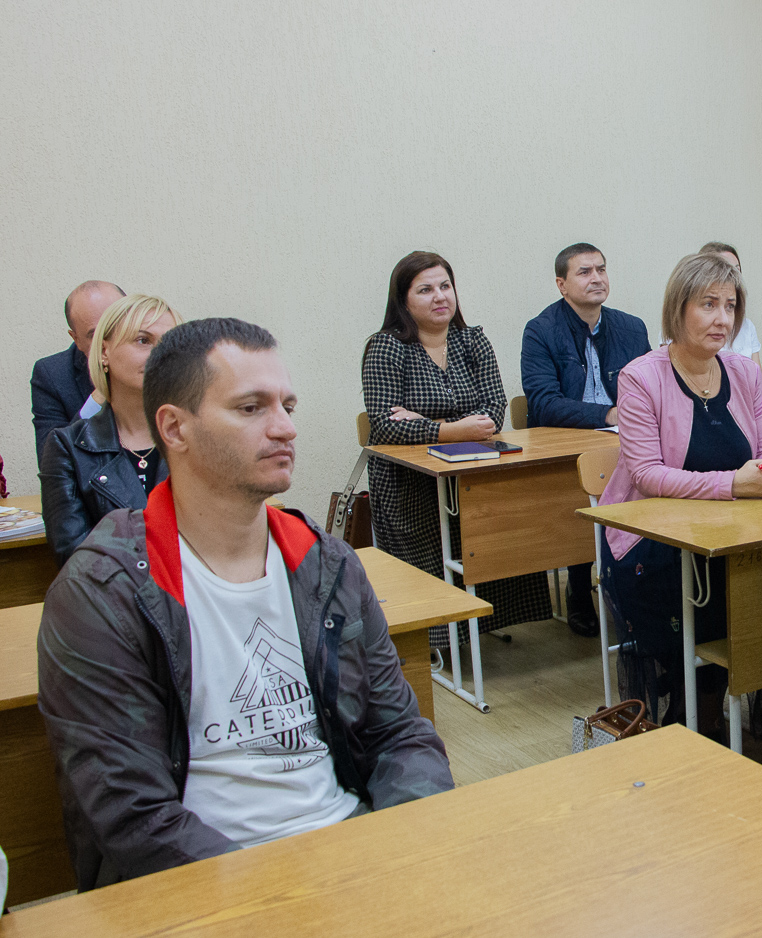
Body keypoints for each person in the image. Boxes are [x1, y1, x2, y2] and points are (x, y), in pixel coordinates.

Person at [36, 318, 452, 892]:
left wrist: (402, 847)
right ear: (175, 428)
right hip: (209, 885)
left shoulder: (326, 564)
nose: (285, 428)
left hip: (350, 850)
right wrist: (280, 896)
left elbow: (400, 735)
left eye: (288, 406)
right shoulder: (103, 591)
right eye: (251, 408)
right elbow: (132, 815)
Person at [598, 252, 762, 732]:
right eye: (708, 304)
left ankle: (708, 713)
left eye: (730, 306)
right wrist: (733, 484)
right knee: (709, 599)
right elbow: (647, 475)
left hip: (731, 531)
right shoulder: (641, 377)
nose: (722, 319)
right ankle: (693, 717)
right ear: (678, 308)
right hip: (652, 540)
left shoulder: (744, 372)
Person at [362, 251, 551, 647]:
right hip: (409, 483)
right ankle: (437, 640)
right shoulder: (386, 347)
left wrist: (425, 422)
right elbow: (383, 425)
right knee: (432, 549)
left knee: (507, 526)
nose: (439, 296)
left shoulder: (472, 339)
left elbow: (493, 410)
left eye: (445, 286)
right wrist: (454, 429)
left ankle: (478, 624)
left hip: (473, 469)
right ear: (403, 299)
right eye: (425, 289)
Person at [521, 242, 651, 636]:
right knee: (576, 503)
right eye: (584, 272)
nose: (596, 278)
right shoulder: (541, 330)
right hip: (569, 444)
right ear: (561, 284)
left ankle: (639, 587)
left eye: (601, 269)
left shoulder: (631, 327)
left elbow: (651, 387)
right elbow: (544, 404)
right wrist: (608, 414)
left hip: (624, 442)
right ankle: (579, 588)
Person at [40, 295, 184, 567]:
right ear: (104, 351)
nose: (159, 355)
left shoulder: (201, 437)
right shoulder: (67, 447)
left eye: (169, 344)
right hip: (111, 593)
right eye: (143, 340)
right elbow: (75, 557)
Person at [31, 280, 124, 459]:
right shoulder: (52, 374)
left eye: (117, 326)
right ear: (76, 339)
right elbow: (50, 460)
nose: (111, 340)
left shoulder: (160, 360)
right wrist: (98, 398)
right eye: (96, 334)